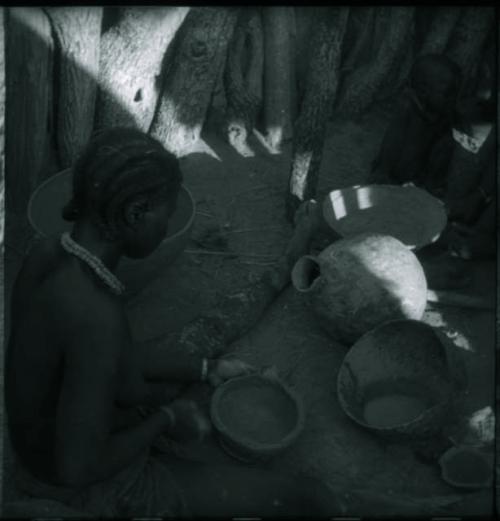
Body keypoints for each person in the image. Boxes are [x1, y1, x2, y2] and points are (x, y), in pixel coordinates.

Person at [5, 127, 339, 518]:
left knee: (201, 345)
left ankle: (283, 268)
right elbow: (78, 466)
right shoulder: (96, 313)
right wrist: (166, 419)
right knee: (304, 498)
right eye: (166, 213)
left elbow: (113, 361)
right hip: (82, 485)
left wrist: (206, 369)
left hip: (42, 449)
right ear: (135, 213)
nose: (169, 224)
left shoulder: (45, 254)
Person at [370, 54, 462, 189]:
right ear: (424, 91)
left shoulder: (442, 112)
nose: (452, 100)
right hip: (397, 171)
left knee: (447, 143)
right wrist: (383, 172)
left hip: (419, 174)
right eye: (447, 94)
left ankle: (426, 185)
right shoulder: (407, 107)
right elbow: (391, 143)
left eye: (454, 94)